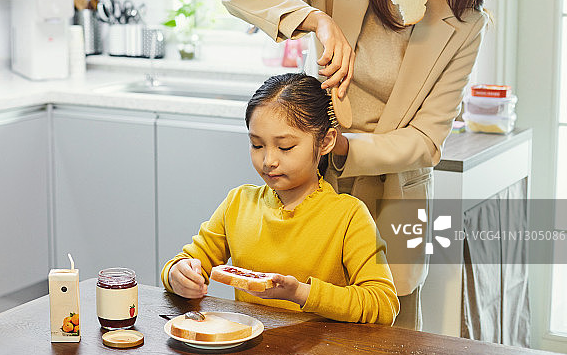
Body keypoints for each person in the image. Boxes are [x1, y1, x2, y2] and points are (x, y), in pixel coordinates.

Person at [221, 0, 491, 329]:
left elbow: (427, 141)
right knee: (294, 322)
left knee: (389, 336)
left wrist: (344, 147)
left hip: (393, 197)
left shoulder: (464, 24)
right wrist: (316, 21)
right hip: (311, 183)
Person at [161, 73, 399, 325]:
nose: (268, 161)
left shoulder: (349, 215)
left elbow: (383, 305)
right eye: (257, 145)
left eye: (285, 147)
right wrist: (178, 275)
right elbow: (183, 263)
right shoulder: (238, 203)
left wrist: (301, 293)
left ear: (326, 141)